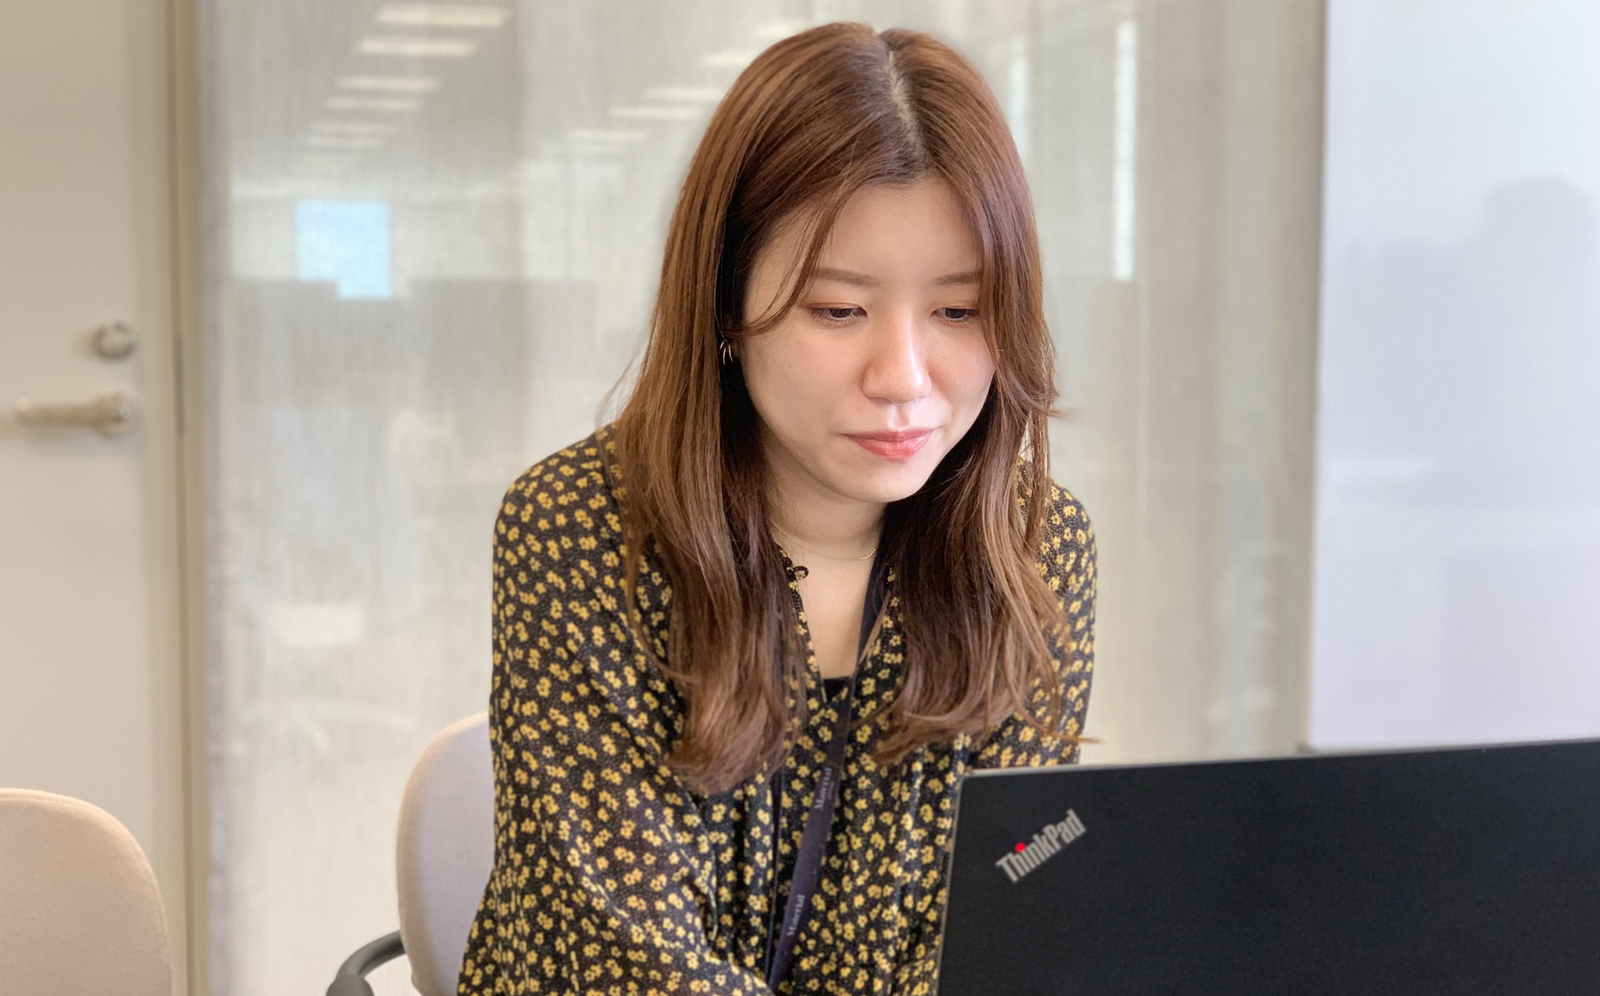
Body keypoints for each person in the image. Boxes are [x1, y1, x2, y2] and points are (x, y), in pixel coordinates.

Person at [458, 21, 1095, 996]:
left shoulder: (1032, 544)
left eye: (958, 311)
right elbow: (627, 963)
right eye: (838, 310)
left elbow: (997, 923)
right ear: (726, 309)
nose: (903, 377)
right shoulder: (580, 530)